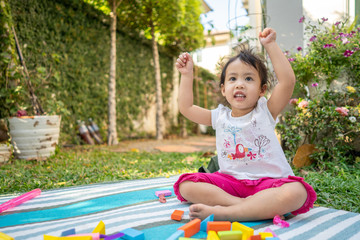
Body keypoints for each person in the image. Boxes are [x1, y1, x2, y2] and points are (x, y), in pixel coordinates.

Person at [174, 28, 317, 222]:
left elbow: (287, 81)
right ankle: (246, 207)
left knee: (296, 192)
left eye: (248, 78)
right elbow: (186, 107)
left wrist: (270, 45)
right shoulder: (220, 116)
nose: (239, 84)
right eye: (233, 79)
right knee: (187, 184)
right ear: (224, 90)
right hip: (231, 184)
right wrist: (186, 74)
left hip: (269, 184)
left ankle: (227, 212)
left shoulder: (265, 111)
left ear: (262, 90)